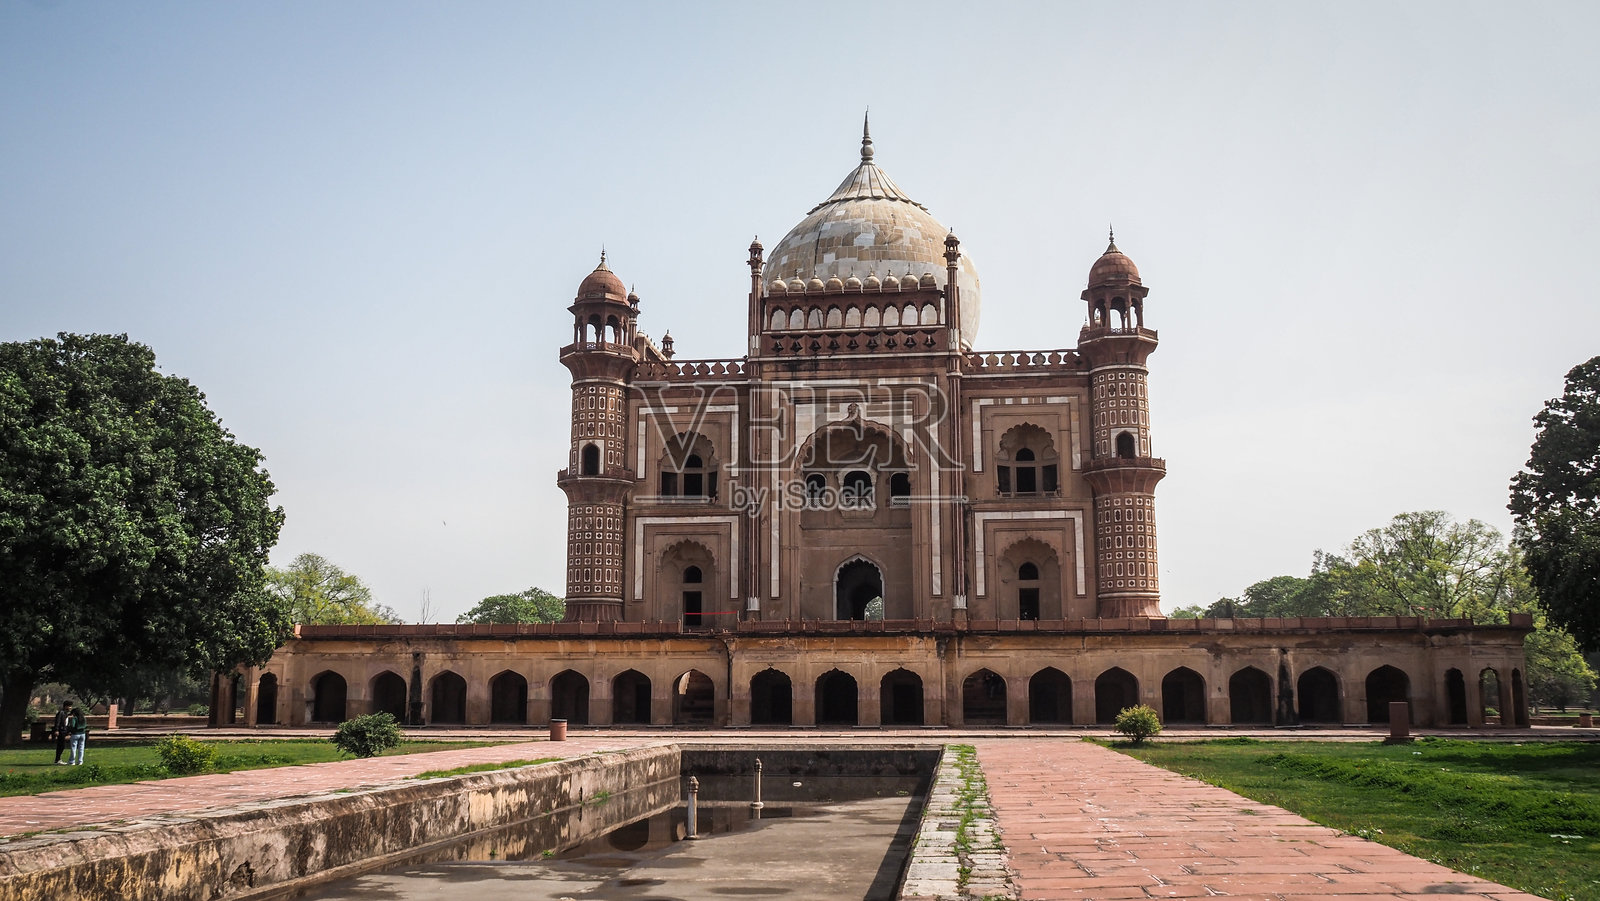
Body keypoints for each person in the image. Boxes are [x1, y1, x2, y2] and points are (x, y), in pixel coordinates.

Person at [67, 701, 88, 766]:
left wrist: (69, 729)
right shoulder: (84, 718)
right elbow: (85, 725)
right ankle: (80, 761)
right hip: (83, 734)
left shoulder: (74, 718)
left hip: (75, 734)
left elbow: (72, 726)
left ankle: (72, 761)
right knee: (81, 748)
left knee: (73, 748)